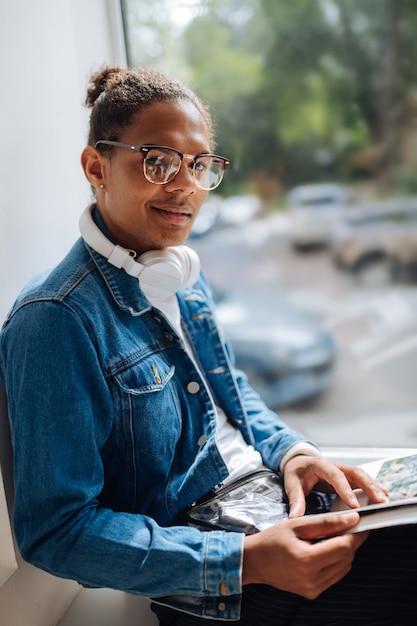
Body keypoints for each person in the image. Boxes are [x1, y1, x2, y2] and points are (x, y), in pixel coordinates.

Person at [0, 65, 416, 626]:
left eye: (200, 165)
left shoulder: (178, 274)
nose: (186, 185)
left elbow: (231, 394)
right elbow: (58, 532)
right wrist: (245, 562)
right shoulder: (53, 321)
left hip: (271, 502)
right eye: (159, 161)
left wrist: (295, 454)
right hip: (217, 571)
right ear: (97, 167)